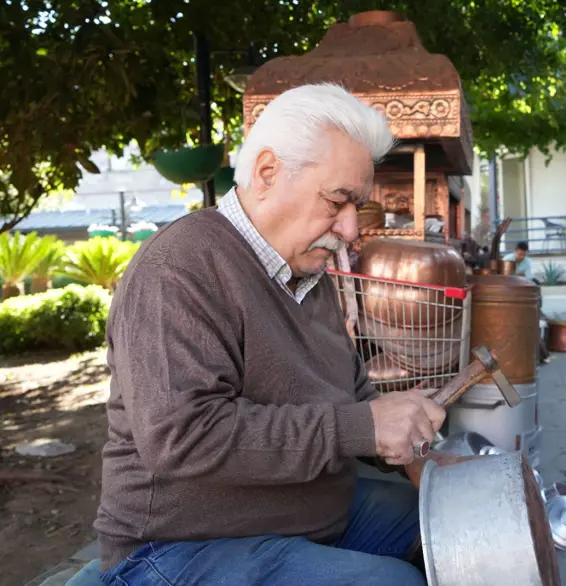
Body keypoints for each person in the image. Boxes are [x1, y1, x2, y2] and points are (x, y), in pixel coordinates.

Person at [93, 84, 457, 586]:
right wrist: (361, 427)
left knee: (451, 524)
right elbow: (184, 437)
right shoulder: (177, 267)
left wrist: (414, 450)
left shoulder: (310, 273)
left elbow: (350, 393)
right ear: (267, 173)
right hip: (176, 547)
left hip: (300, 513)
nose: (351, 230)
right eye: (337, 201)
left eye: (358, 207)